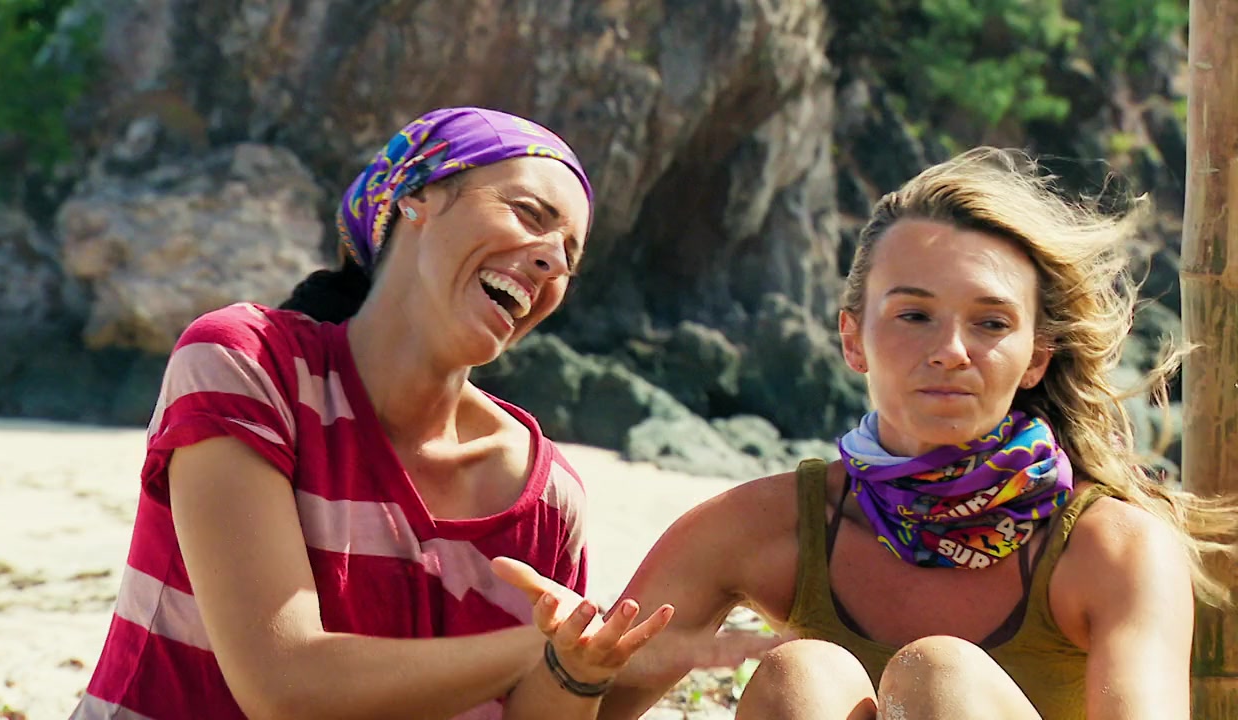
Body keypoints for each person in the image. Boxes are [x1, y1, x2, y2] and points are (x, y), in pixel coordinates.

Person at [499, 147, 1238, 719]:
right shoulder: (764, 527)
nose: (951, 350)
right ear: (853, 339)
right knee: (802, 675)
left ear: (1036, 358)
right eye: (914, 315)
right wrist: (575, 668)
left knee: (940, 676)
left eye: (991, 323)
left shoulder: (1111, 549)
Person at [71, 106, 676, 720]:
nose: (552, 262)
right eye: (527, 213)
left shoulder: (546, 498)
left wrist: (576, 672)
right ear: (416, 197)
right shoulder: (248, 364)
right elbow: (283, 686)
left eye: (569, 256)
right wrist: (536, 652)